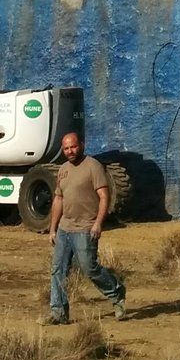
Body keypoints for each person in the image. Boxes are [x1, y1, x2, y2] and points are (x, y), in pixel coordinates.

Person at [42, 132, 125, 325]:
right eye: (66, 148)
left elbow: (104, 196)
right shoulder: (62, 169)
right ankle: (58, 313)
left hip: (85, 228)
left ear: (82, 145)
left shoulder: (93, 166)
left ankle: (117, 293)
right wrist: (52, 228)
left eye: (73, 146)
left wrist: (98, 223)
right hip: (64, 228)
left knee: (89, 268)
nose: (70, 151)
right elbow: (58, 199)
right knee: (58, 270)